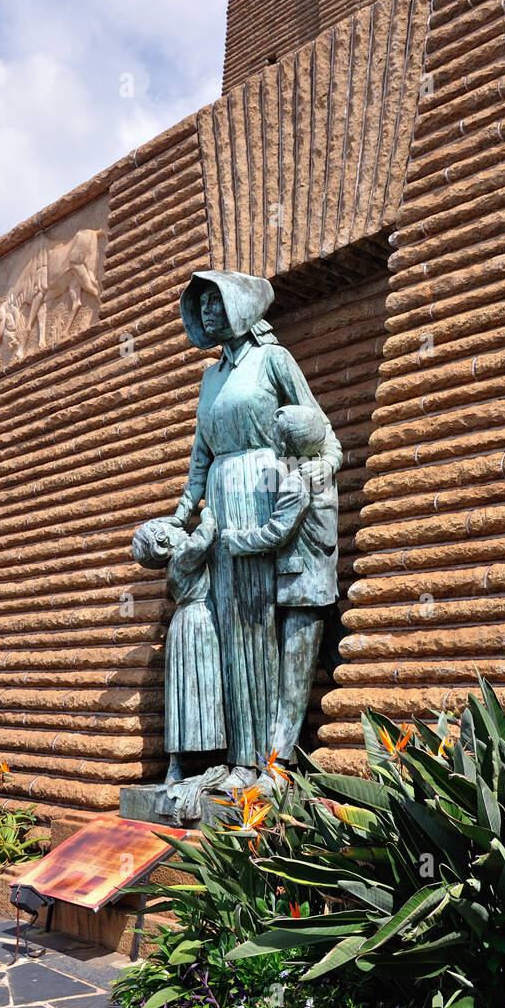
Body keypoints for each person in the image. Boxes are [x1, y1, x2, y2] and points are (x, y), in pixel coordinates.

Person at [173, 270, 342, 770]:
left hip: (266, 492)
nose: (207, 311)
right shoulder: (210, 378)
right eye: (200, 305)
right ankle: (234, 758)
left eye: (216, 301)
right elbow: (200, 455)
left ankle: (266, 760)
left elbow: (323, 432)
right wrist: (184, 513)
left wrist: (320, 469)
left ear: (241, 307)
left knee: (262, 623)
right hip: (224, 500)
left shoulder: (274, 360)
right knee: (229, 626)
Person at [220, 405, 339, 763]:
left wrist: (236, 540)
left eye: (275, 438)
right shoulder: (321, 473)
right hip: (323, 586)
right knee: (337, 666)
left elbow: (276, 532)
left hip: (303, 591)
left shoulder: (295, 481)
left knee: (292, 685)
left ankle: (276, 766)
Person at [132, 509, 225, 782]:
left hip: (183, 625)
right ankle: (216, 756)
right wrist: (209, 511)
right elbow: (203, 539)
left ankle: (175, 767)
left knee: (182, 694)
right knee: (205, 687)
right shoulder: (183, 556)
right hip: (199, 622)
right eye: (171, 528)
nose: (182, 529)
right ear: (163, 541)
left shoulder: (173, 566)